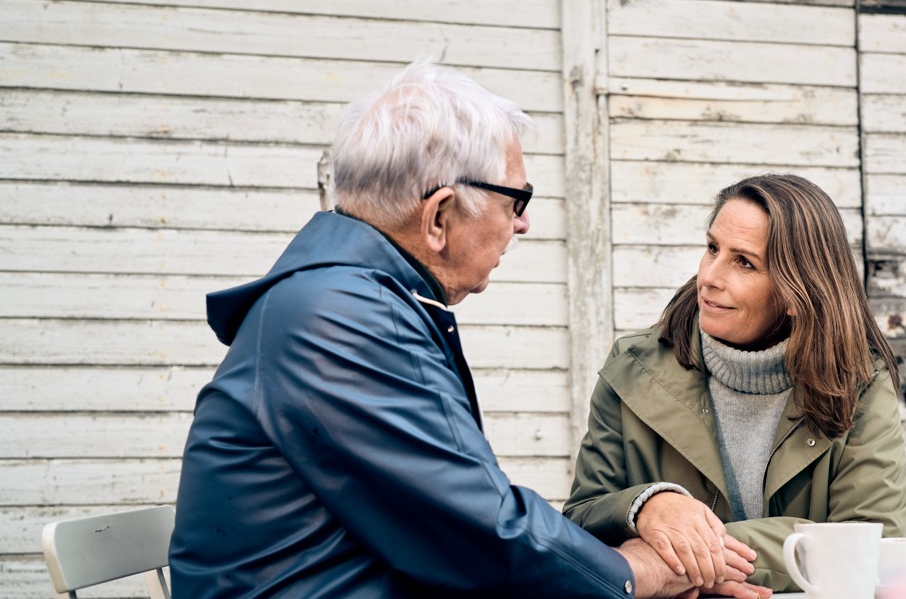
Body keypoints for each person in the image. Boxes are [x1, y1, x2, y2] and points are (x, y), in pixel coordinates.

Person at [168, 62, 766, 598]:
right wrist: (638, 575)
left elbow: (456, 526)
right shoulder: (341, 318)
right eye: (516, 199)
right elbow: (484, 531)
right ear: (438, 216)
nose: (524, 223)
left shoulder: (345, 301)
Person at [563, 173, 906, 591]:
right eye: (712, 248)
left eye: (743, 262)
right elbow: (582, 519)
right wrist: (646, 506)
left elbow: (871, 541)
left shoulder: (858, 385)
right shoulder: (633, 367)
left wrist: (687, 555)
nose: (709, 277)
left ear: (798, 292)